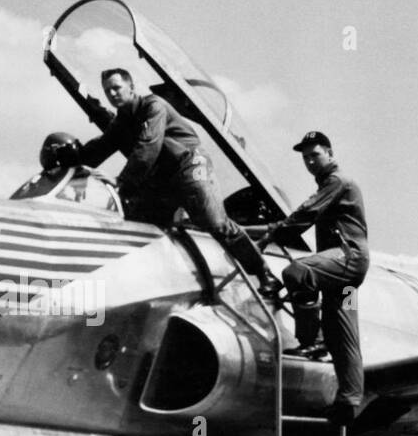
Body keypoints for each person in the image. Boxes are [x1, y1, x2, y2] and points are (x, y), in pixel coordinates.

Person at [40, 68, 273, 291]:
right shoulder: (123, 120)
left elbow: (148, 146)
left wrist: (121, 182)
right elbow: (102, 146)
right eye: (108, 90)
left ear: (131, 87)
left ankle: (262, 271)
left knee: (213, 221)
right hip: (163, 179)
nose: (112, 94)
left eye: (117, 88)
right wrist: (67, 159)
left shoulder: (154, 106)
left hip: (190, 164)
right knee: (136, 223)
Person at [261, 131, 369, 424]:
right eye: (306, 157)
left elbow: (304, 215)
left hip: (348, 260)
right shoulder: (332, 184)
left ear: (330, 153)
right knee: (343, 333)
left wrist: (270, 233)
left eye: (315, 155)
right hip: (345, 275)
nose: (310, 161)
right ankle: (348, 402)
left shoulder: (336, 182)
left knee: (297, 271)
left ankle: (311, 339)